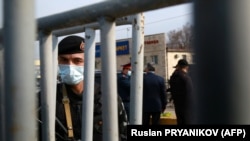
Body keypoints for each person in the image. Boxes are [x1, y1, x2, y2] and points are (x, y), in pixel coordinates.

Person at [38, 35, 127, 141]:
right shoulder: (46, 98)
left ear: (88, 63)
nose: (70, 66)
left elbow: (123, 133)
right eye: (64, 60)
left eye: (77, 61)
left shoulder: (108, 98)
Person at [169, 59, 194, 125]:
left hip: (178, 104)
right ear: (186, 67)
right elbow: (189, 92)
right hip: (187, 105)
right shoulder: (185, 77)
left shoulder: (173, 77)